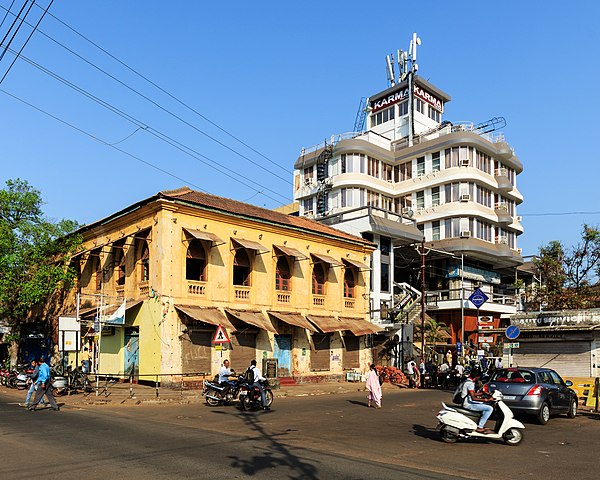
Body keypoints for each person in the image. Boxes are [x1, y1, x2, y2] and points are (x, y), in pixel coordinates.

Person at [461, 367, 494, 434]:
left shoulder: (467, 381)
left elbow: (472, 394)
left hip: (467, 401)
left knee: (486, 406)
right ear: (477, 377)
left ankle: (480, 424)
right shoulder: (470, 384)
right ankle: (480, 426)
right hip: (468, 404)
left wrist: (483, 393)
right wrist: (486, 400)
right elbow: (473, 397)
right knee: (489, 408)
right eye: (479, 377)